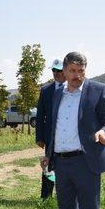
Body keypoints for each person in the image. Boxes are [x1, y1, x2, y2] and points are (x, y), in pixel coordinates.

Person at [39, 52, 105, 209]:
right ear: (64, 71)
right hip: (62, 163)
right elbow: (55, 126)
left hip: (85, 162)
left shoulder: (99, 90)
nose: (77, 75)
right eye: (72, 70)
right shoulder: (57, 94)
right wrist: (49, 153)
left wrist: (103, 132)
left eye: (81, 70)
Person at [36, 58, 67, 198]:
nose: (56, 73)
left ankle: (65, 195)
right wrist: (39, 137)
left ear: (65, 71)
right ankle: (46, 197)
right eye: (53, 70)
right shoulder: (46, 90)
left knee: (66, 168)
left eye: (59, 70)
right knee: (48, 166)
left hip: (67, 136)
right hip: (50, 137)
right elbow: (40, 115)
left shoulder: (72, 89)